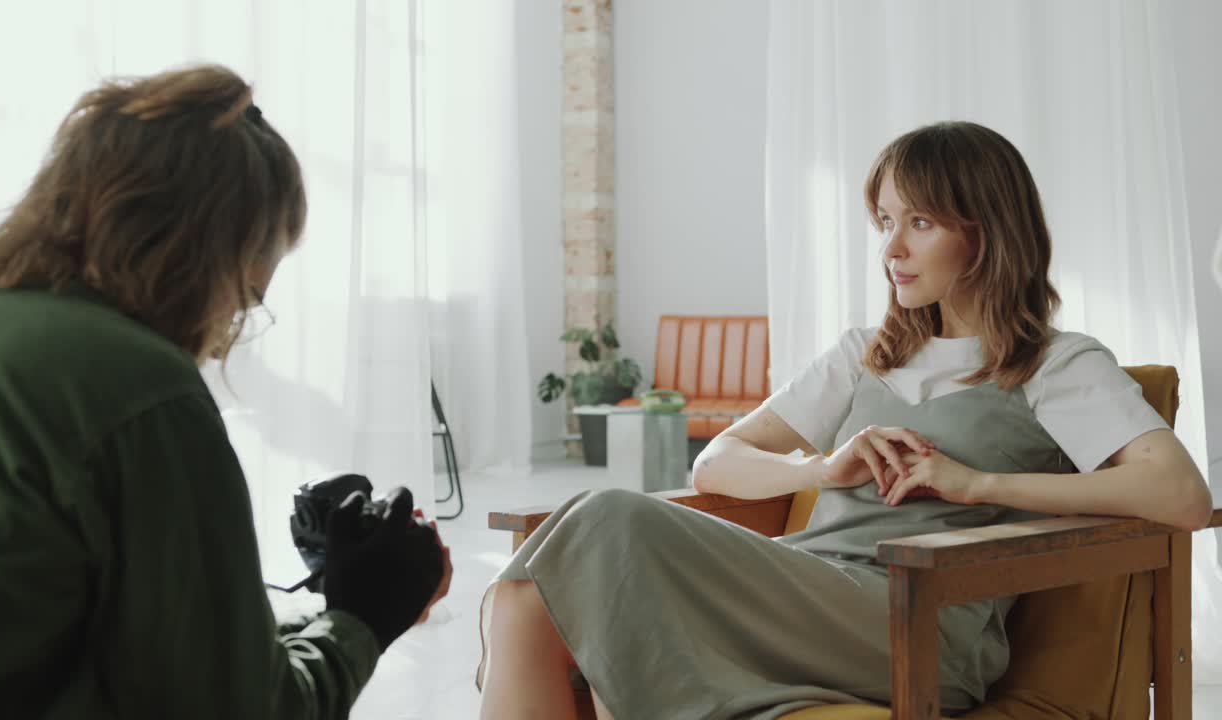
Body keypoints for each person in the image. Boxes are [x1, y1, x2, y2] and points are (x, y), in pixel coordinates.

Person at [476, 121, 1214, 720]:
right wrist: (820, 469)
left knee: (602, 522)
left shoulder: (1053, 363)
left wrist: (975, 480)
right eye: (885, 221)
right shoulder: (866, 354)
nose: (891, 249)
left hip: (919, 621)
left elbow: (1178, 494)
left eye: (918, 221)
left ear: (986, 230)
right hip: (807, 588)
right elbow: (716, 463)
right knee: (522, 595)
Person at [0, 64, 451, 718]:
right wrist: (365, 618)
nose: (222, 337)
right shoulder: (140, 387)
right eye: (244, 299)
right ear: (204, 256)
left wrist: (298, 624)